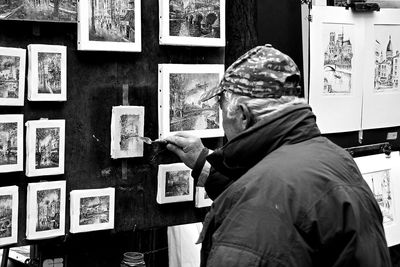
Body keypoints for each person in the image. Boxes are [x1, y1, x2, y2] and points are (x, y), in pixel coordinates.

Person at [165, 44, 392, 266]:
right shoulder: (337, 159)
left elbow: (267, 202)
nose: (222, 123)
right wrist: (204, 163)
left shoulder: (259, 205)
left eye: (221, 111)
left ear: (243, 116)